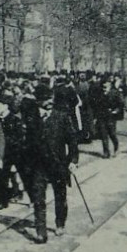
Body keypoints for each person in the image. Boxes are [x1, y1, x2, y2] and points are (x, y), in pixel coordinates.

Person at [25, 84, 79, 242]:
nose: (48, 102)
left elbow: (72, 141)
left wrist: (74, 160)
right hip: (38, 165)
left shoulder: (62, 116)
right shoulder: (31, 116)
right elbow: (27, 141)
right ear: (38, 101)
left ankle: (60, 223)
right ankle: (41, 231)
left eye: (50, 98)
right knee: (38, 198)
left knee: (60, 196)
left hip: (58, 164)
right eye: (44, 100)